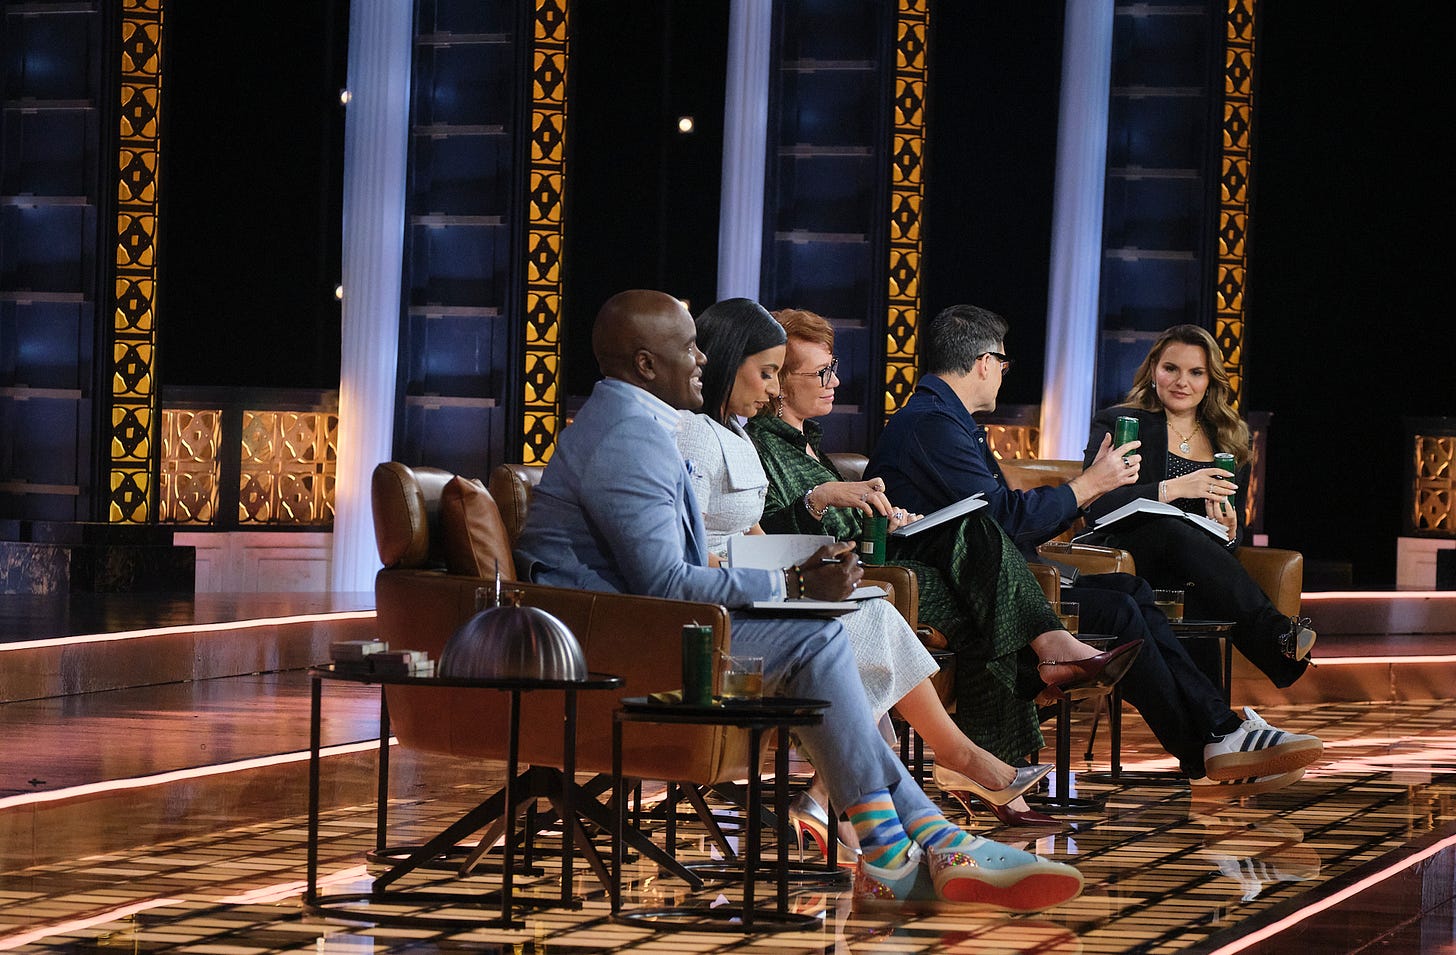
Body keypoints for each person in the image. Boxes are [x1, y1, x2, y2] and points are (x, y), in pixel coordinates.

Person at [513, 290, 1085, 913]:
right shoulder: (631, 436)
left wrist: (797, 584)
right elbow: (668, 584)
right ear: (647, 364)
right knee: (816, 635)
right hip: (611, 647)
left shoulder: (634, 425)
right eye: (689, 348)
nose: (703, 359)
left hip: (637, 627)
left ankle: (904, 840)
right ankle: (913, 838)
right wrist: (791, 587)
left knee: (823, 633)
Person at [867, 304, 1322, 793]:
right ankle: (1217, 737)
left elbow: (1004, 525)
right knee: (1124, 605)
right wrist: (1090, 486)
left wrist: (1088, 491)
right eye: (1002, 363)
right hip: (967, 592)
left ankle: (1215, 740)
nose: (1002, 373)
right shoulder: (932, 423)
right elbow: (1001, 520)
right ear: (984, 362)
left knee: (1130, 592)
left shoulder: (946, 420)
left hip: (1000, 577)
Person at [676, 298, 1053, 841]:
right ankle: (931, 776)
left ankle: (854, 801)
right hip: (723, 600)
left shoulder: (736, 433)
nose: (771, 389)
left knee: (886, 606)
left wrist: (813, 563)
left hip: (767, 581)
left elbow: (753, 530)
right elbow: (692, 549)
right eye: (768, 373)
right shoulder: (704, 434)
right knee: (875, 618)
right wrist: (793, 573)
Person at [745, 307, 1144, 798]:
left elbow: (847, 525)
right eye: (822, 372)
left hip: (875, 564)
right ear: (779, 382)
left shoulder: (810, 444)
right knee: (981, 566)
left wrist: (889, 519)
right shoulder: (761, 446)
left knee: (976, 548)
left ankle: (1006, 747)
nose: (836, 381)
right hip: (845, 582)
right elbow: (765, 541)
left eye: (834, 367)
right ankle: (1021, 709)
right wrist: (820, 499)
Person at [1080, 323, 1316, 688]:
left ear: (1210, 381)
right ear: (1153, 369)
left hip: (1191, 573)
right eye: (1170, 368)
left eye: (1196, 372)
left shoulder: (1230, 438)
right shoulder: (1121, 422)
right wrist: (1172, 489)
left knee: (1198, 596)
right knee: (1171, 529)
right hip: (1129, 552)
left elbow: (1227, 539)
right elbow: (1096, 506)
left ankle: (1216, 720)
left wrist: (1231, 532)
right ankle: (1278, 636)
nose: (1182, 382)